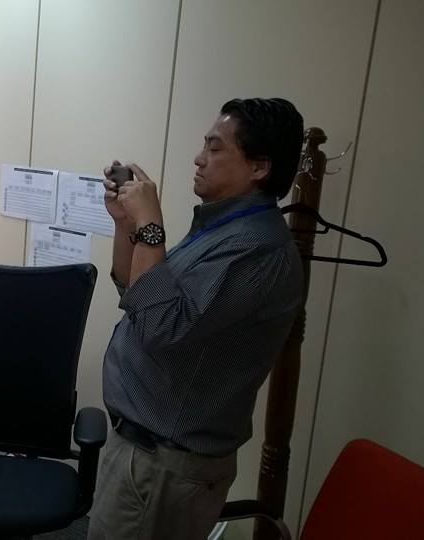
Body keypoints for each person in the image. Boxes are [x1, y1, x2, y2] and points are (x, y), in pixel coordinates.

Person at [88, 98, 305, 540]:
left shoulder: (256, 249)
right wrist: (127, 224)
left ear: (259, 167)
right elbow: (134, 292)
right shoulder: (222, 228)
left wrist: (151, 224)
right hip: (144, 453)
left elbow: (159, 327)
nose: (199, 158)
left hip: (164, 466)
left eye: (215, 147)